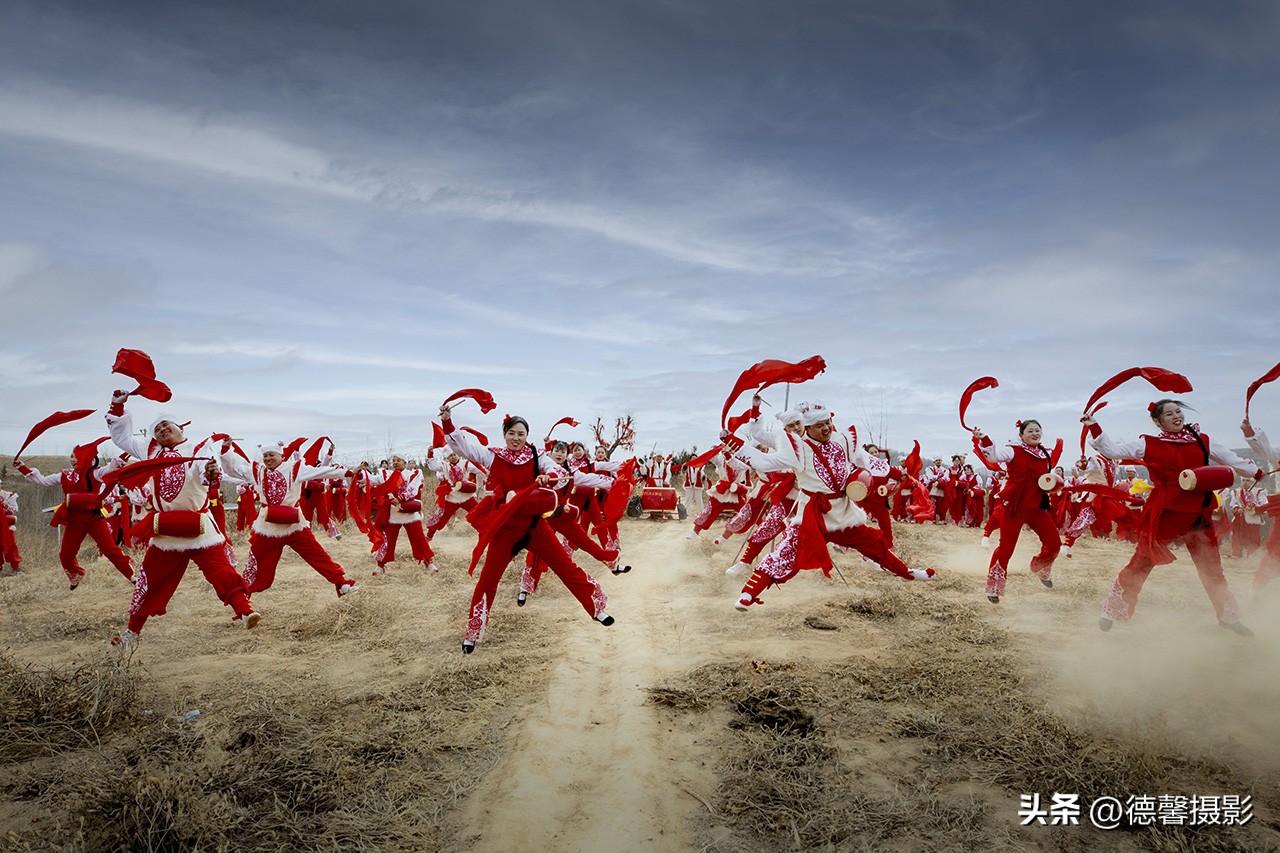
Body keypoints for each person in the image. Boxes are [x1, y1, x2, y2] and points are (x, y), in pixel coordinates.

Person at [727, 401, 935, 610]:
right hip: (813, 514)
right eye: (819, 425)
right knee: (786, 551)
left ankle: (906, 572)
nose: (826, 428)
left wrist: (899, 474)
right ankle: (748, 593)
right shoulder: (796, 448)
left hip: (844, 513)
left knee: (873, 545)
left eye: (827, 422)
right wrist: (734, 443)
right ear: (807, 428)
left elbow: (866, 460)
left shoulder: (842, 440)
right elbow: (765, 462)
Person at [441, 407, 613, 654]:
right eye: (512, 433)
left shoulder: (536, 455)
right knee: (489, 579)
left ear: (527, 435)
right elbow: (465, 447)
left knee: (565, 565)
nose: (516, 438)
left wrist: (548, 477)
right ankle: (473, 632)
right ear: (504, 434)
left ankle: (596, 609)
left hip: (534, 525)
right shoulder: (494, 456)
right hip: (506, 527)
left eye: (521, 434)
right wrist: (448, 422)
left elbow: (560, 474)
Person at [1084, 399, 1262, 635]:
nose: (1177, 416)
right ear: (1158, 421)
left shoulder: (1202, 440)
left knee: (1212, 567)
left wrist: (1257, 472)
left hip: (1199, 513)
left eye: (1178, 411)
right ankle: (1113, 609)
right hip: (1167, 512)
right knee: (1143, 561)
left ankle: (1228, 615)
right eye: (1169, 414)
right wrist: (1093, 424)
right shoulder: (1148, 443)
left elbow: (1232, 460)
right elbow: (1111, 451)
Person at [104, 391, 259, 647]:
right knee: (147, 581)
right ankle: (131, 633)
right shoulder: (149, 450)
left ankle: (245, 611)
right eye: (158, 428)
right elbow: (121, 437)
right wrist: (117, 406)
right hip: (166, 532)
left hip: (200, 528)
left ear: (180, 429)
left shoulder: (198, 448)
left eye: (167, 425)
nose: (162, 429)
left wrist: (210, 471)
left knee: (221, 571)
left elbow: (205, 467)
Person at [220, 439, 359, 598]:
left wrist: (346, 472)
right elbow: (233, 469)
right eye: (265, 456)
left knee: (317, 554)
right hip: (268, 528)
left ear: (280, 456)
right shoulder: (256, 471)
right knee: (255, 565)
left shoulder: (294, 469)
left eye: (271, 455)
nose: (267, 459)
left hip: (294, 525)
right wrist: (225, 450)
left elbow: (319, 472)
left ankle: (341, 583)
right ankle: (242, 599)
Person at [18, 442, 136, 589]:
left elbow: (111, 468)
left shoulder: (95, 473)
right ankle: (76, 574)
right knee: (65, 554)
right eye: (71, 456)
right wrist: (22, 467)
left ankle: (131, 575)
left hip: (94, 519)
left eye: (76, 457)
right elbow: (42, 481)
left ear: (87, 458)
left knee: (109, 549)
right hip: (74, 520)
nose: (72, 459)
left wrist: (127, 451)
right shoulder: (64, 475)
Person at [971, 420, 1061, 604]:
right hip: (1015, 506)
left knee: (1054, 543)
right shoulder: (1013, 450)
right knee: (1006, 548)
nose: (1035, 433)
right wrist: (985, 439)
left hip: (1036, 506)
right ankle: (994, 586)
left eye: (1038, 430)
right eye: (1030, 431)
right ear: (1021, 435)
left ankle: (1039, 566)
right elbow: (993, 457)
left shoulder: (1045, 453)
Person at [369, 455, 437, 574]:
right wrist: (360, 475)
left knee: (419, 538)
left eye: (398, 460)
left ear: (404, 462)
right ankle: (381, 565)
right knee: (387, 539)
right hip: (393, 513)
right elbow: (371, 479)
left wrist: (400, 498)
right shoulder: (386, 475)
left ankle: (428, 562)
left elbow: (413, 489)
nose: (395, 463)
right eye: (393, 461)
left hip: (409, 512)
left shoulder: (413, 473)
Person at [0, 479, 20, 572]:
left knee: (11, 544)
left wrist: (6, 507)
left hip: (7, 524)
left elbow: (15, 509)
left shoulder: (8, 495)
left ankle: (15, 566)